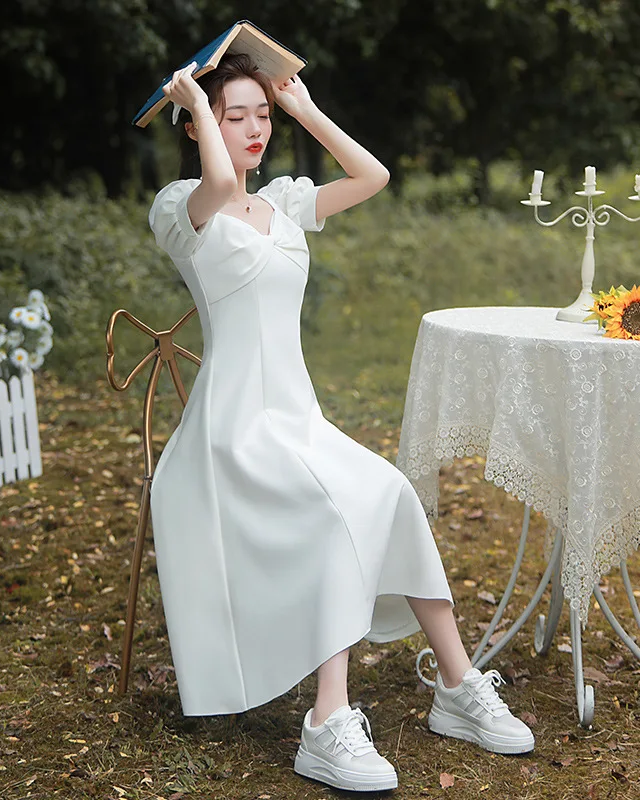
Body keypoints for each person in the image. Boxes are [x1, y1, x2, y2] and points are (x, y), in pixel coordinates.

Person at [146, 53, 534, 793]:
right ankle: (327, 722)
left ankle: (457, 685)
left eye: (261, 116)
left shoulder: (286, 203)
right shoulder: (178, 207)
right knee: (332, 514)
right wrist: (196, 104)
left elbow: (373, 176)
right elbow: (221, 183)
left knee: (389, 491)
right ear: (199, 124)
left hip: (297, 418)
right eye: (236, 116)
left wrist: (304, 111)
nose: (253, 131)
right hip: (229, 434)